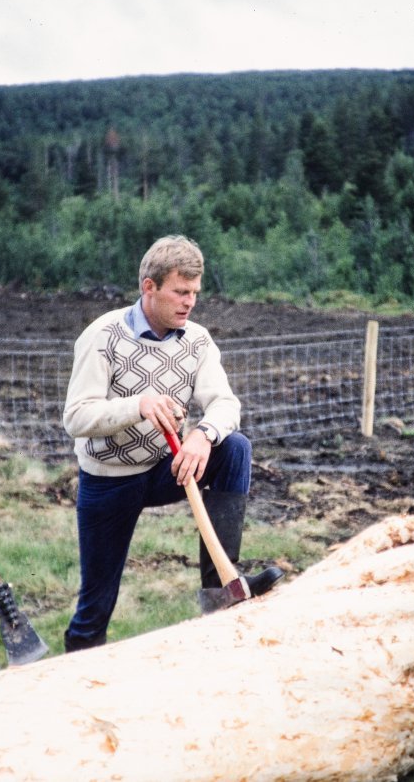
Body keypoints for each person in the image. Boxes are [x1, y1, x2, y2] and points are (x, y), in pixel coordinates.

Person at [61, 234, 283, 653]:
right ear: (150, 287)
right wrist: (138, 406)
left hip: (168, 470)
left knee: (234, 447)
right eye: (181, 292)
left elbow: (224, 403)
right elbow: (76, 417)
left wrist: (204, 434)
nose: (189, 303)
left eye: (195, 293)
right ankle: (75, 675)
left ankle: (220, 591)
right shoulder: (102, 336)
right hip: (109, 481)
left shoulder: (196, 340)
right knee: (95, 607)